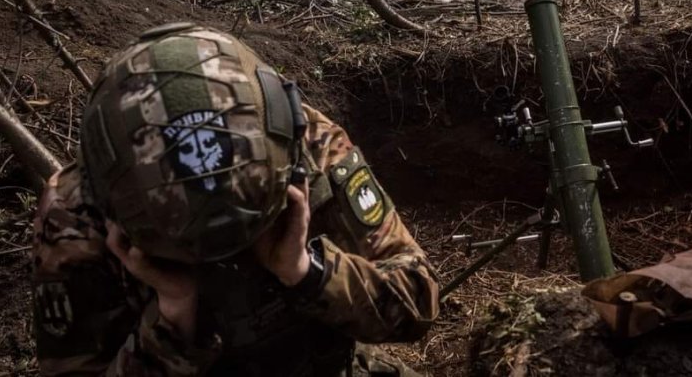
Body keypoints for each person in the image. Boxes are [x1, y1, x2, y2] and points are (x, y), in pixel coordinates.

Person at [32, 23, 439, 376]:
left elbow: (418, 298)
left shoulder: (304, 144)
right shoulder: (77, 217)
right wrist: (173, 318)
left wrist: (307, 270)